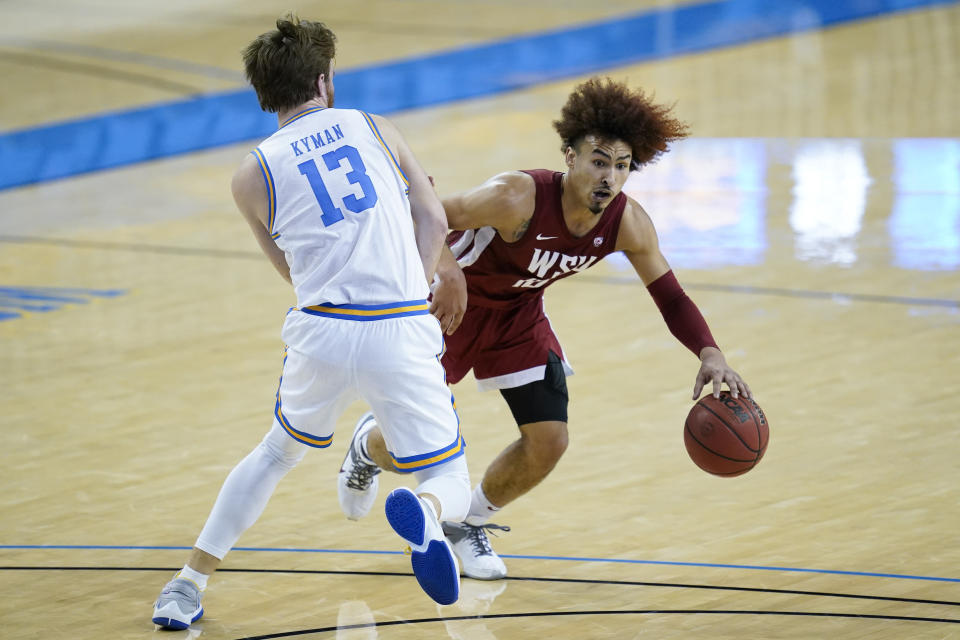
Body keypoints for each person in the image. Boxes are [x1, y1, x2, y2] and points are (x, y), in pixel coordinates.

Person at [337, 77, 752, 580]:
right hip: (452, 305)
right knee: (409, 445)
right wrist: (446, 271)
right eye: (599, 160)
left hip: (518, 315)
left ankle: (467, 522)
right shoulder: (516, 196)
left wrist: (709, 352)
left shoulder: (628, 223)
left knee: (549, 440)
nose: (610, 177)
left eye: (622, 166)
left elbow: (671, 295)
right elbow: (424, 213)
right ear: (569, 156)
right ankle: (365, 448)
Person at [152, 15, 472, 629]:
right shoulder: (374, 127)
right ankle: (428, 511)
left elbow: (291, 270)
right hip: (400, 323)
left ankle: (187, 585)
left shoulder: (249, 175)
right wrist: (414, 281)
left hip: (323, 326)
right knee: (446, 471)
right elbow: (432, 220)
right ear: (324, 81)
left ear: (265, 93)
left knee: (276, 453)